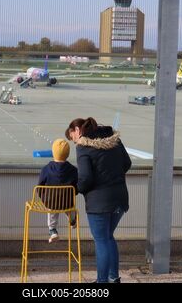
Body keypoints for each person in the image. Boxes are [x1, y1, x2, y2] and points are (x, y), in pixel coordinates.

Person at [65, 117, 131, 283]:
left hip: (99, 203)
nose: (75, 142)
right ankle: (113, 278)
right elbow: (127, 163)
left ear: (78, 131)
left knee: (101, 241)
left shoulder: (83, 147)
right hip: (120, 199)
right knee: (108, 237)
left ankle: (102, 282)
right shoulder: (114, 140)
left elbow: (85, 179)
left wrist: (75, 189)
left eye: (73, 137)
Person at [38, 139, 78, 243]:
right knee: (68, 204)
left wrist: (43, 198)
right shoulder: (73, 170)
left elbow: (39, 187)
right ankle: (72, 219)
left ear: (53, 152)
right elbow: (77, 187)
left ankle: (52, 230)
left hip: (51, 202)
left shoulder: (46, 169)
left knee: (52, 207)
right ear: (67, 154)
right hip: (67, 202)